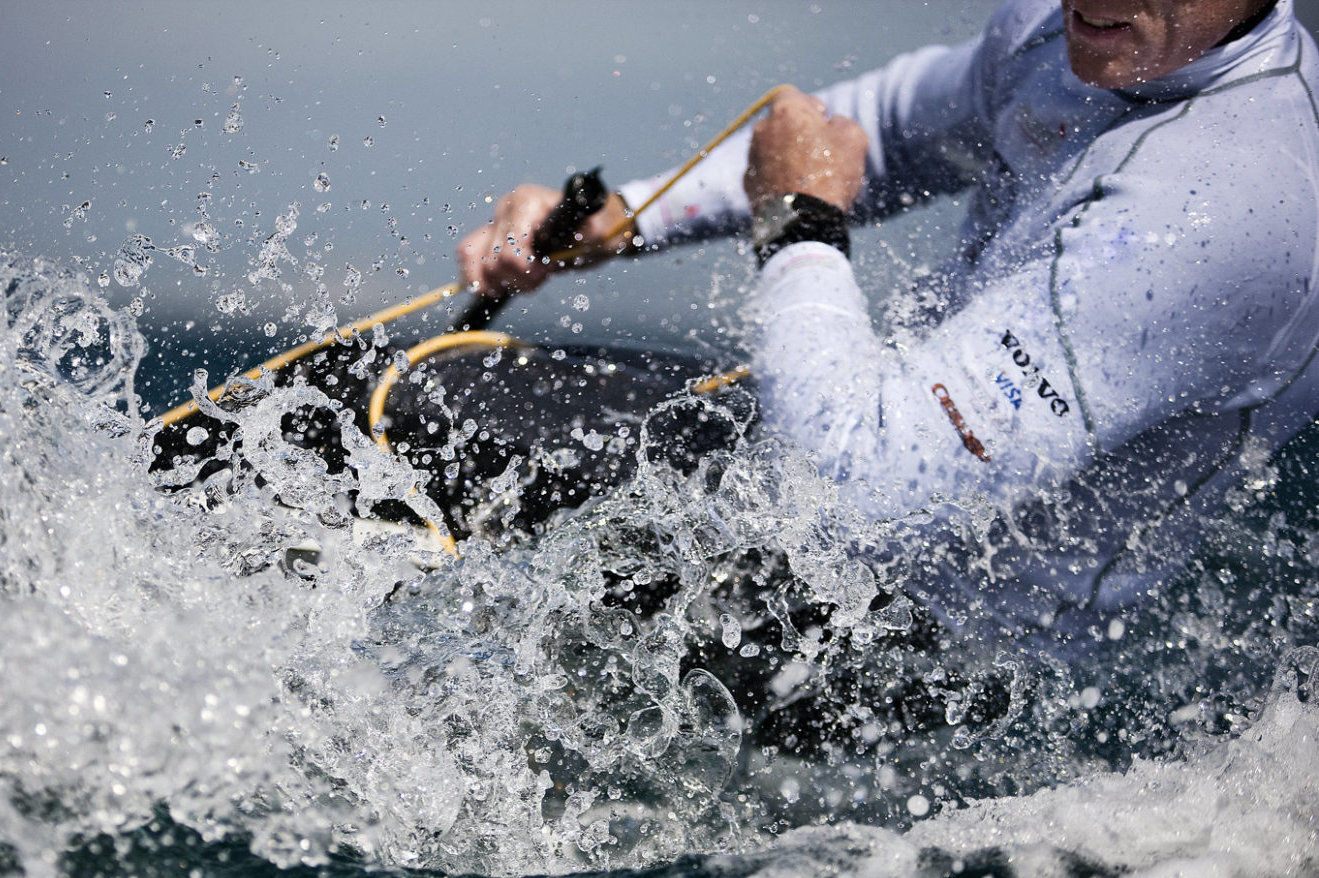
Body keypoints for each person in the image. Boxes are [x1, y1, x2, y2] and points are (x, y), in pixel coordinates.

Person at [455, 0, 1319, 664]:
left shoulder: (1231, 202)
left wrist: (795, 221)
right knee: (429, 397)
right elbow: (881, 131)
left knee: (436, 453)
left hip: (938, 660)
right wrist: (629, 215)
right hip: (827, 491)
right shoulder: (1076, 31)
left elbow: (856, 499)